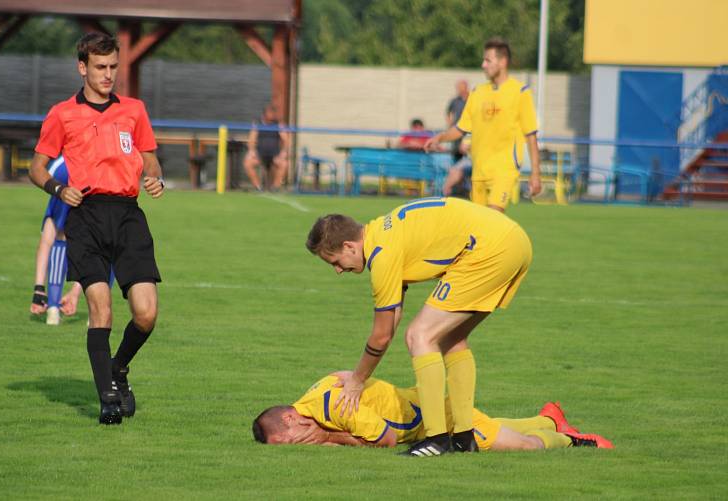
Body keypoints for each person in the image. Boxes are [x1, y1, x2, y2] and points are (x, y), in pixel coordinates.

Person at [305, 196, 532, 457]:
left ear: (349, 246)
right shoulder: (383, 234)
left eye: (335, 261)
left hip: (490, 248)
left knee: (420, 335)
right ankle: (463, 437)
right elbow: (392, 320)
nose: (338, 270)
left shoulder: (382, 253)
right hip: (513, 240)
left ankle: (436, 439)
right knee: (451, 338)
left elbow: (381, 336)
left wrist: (356, 381)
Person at [28, 32, 165, 425]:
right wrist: (58, 188)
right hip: (85, 214)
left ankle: (118, 369)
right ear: (83, 67)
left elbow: (150, 160)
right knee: (100, 308)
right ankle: (107, 396)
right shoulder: (61, 114)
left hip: (128, 216)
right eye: (100, 67)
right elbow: (37, 168)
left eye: (113, 67)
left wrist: (155, 178)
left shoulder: (134, 111)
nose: (108, 75)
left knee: (146, 314)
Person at [253, 372, 613, 451]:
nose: (298, 445)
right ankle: (550, 417)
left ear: (290, 418)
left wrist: (328, 437)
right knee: (492, 425)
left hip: (438, 417)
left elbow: (387, 439)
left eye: (291, 441)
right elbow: (339, 375)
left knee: (523, 448)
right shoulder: (313, 400)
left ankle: (572, 440)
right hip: (428, 414)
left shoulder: (334, 409)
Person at [425, 38, 542, 212]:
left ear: (502, 62)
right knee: (479, 228)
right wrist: (440, 138)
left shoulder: (520, 92)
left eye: (488, 60)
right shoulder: (477, 93)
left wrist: (535, 174)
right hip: (479, 171)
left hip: (504, 169)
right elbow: (460, 129)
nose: (483, 65)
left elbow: (530, 136)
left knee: (493, 218)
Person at [29, 155, 83, 325]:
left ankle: (52, 306)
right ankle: (97, 313)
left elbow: (45, 243)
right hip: (91, 170)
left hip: (66, 167)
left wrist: (38, 288)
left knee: (52, 236)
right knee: (105, 242)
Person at [243, 104, 289, 191]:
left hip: (274, 155)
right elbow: (251, 140)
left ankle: (275, 187)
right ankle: (258, 187)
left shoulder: (279, 125)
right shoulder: (257, 124)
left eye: (273, 113)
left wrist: (283, 152)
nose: (273, 115)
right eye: (270, 113)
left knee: (284, 164)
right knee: (247, 163)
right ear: (264, 114)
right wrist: (251, 151)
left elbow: (286, 140)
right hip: (260, 154)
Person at [443, 80, 471, 196]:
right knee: (456, 163)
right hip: (457, 135)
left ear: (466, 87)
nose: (459, 90)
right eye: (457, 87)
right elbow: (448, 113)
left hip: (468, 135)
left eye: (460, 87)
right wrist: (450, 126)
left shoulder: (472, 99)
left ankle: (466, 189)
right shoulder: (455, 101)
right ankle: (457, 189)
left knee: (466, 164)